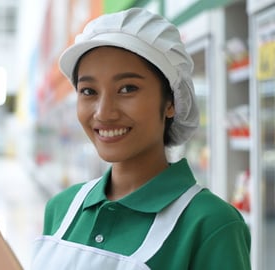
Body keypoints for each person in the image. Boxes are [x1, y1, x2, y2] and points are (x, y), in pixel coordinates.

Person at [31, 8, 251, 270]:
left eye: (127, 89)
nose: (103, 112)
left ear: (171, 102)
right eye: (88, 91)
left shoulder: (210, 224)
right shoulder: (62, 208)